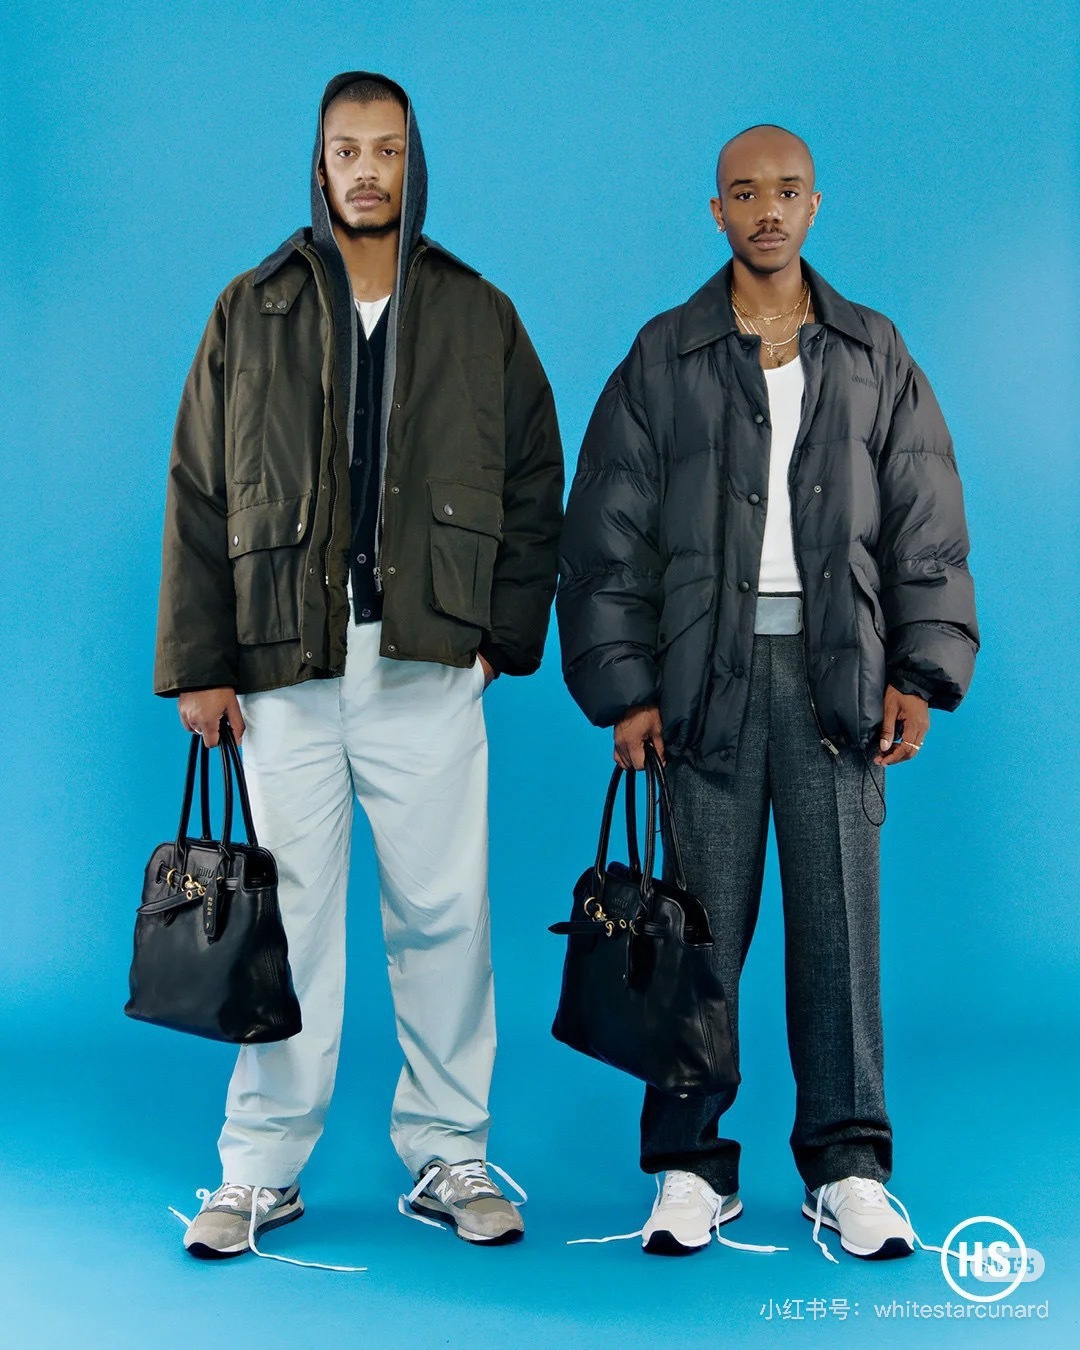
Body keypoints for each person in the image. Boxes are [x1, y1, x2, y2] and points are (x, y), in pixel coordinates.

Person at [155, 70, 563, 1257]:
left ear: (412, 162)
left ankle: (449, 1151)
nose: (368, 170)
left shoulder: (477, 312)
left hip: (428, 660)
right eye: (348, 150)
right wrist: (201, 662)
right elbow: (198, 487)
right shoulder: (253, 308)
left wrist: (499, 642)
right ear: (321, 164)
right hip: (284, 662)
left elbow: (536, 477)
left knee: (446, 916)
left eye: (387, 149)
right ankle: (258, 1169)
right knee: (285, 920)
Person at [557, 125, 977, 1261]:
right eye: (745, 193)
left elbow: (924, 524)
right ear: (718, 212)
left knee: (839, 936)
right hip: (705, 683)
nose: (768, 210)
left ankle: (848, 1166)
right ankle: (691, 1166)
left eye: (787, 191)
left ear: (815, 203)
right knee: (697, 935)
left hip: (839, 681)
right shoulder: (666, 354)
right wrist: (627, 690)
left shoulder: (873, 350)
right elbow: (605, 532)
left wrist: (919, 673)